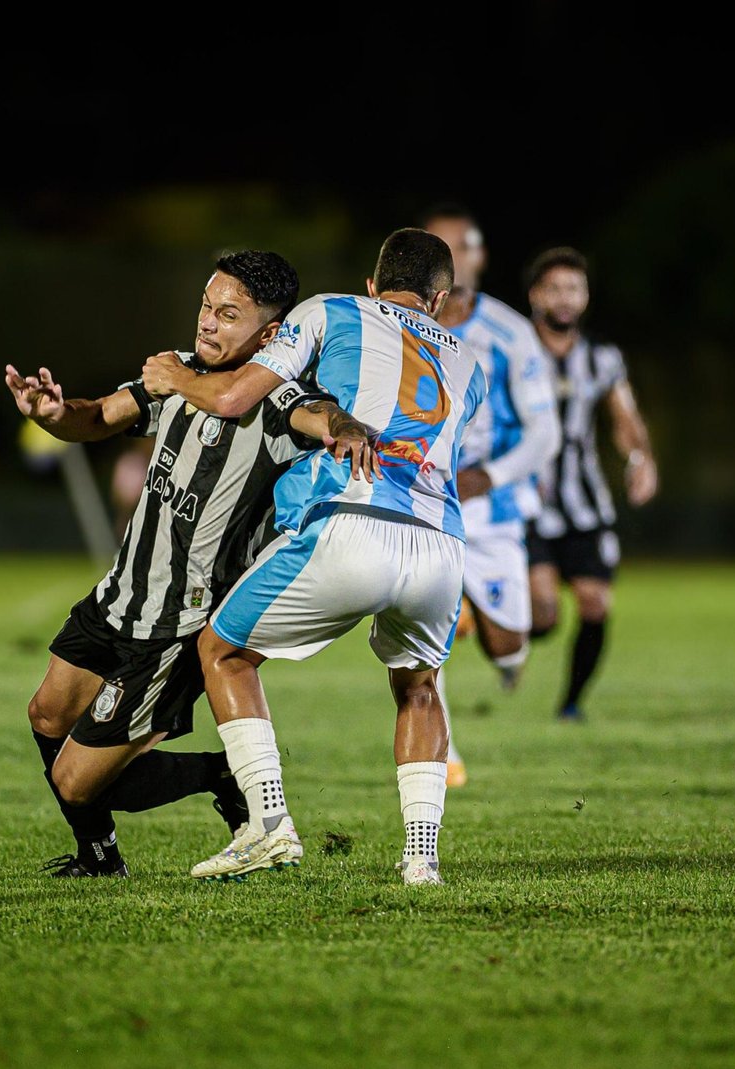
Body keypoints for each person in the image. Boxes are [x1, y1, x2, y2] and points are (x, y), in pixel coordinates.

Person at [3, 250, 372, 877]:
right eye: (207, 305)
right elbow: (98, 417)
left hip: (177, 625)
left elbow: (321, 414)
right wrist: (54, 414)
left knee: (76, 781)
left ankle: (226, 775)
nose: (208, 323)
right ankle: (100, 857)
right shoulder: (180, 372)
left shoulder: (277, 400)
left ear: (271, 333)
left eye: (229, 314)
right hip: (118, 598)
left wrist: (345, 425)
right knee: (46, 716)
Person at [140, 228, 485, 886]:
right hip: (442, 544)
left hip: (356, 521)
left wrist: (177, 375)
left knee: (223, 651)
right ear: (439, 301)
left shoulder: (334, 308)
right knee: (418, 685)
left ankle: (268, 823)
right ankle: (421, 859)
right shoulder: (470, 362)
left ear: (372, 284)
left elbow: (239, 395)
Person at [420, 205, 561, 787]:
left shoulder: (509, 333)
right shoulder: (395, 325)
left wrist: (490, 477)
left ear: (478, 257)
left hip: (491, 505)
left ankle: (483, 623)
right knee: (424, 625)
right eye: (441, 248)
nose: (455, 259)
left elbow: (544, 432)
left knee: (511, 648)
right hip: (423, 497)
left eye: (465, 247)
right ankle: (442, 754)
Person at [524, 247, 659, 721]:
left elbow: (624, 417)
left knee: (596, 602)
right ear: (536, 294)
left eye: (575, 289)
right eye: (556, 288)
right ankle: (505, 641)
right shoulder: (514, 350)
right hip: (528, 501)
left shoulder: (602, 358)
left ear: (585, 297)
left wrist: (640, 458)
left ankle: (572, 703)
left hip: (586, 503)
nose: (566, 298)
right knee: (543, 616)